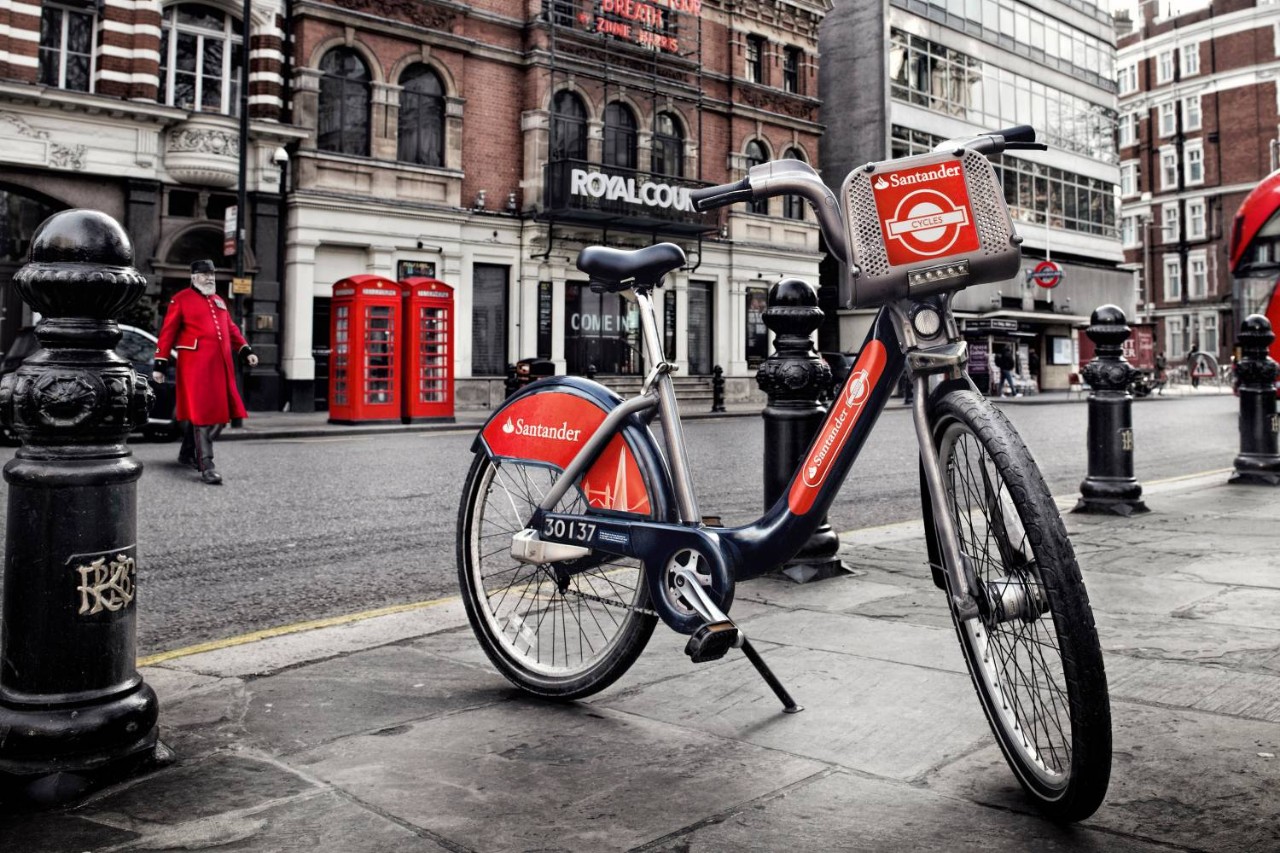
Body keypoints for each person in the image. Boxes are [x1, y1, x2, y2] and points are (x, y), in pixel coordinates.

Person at [152, 260, 257, 484]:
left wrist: (245, 349)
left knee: (222, 413)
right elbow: (167, 332)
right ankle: (206, 464)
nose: (210, 278)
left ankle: (187, 453)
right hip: (195, 365)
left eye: (212, 274)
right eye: (205, 274)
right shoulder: (180, 300)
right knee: (201, 414)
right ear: (193, 277)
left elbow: (230, 328)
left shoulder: (218, 300)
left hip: (221, 365)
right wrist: (160, 363)